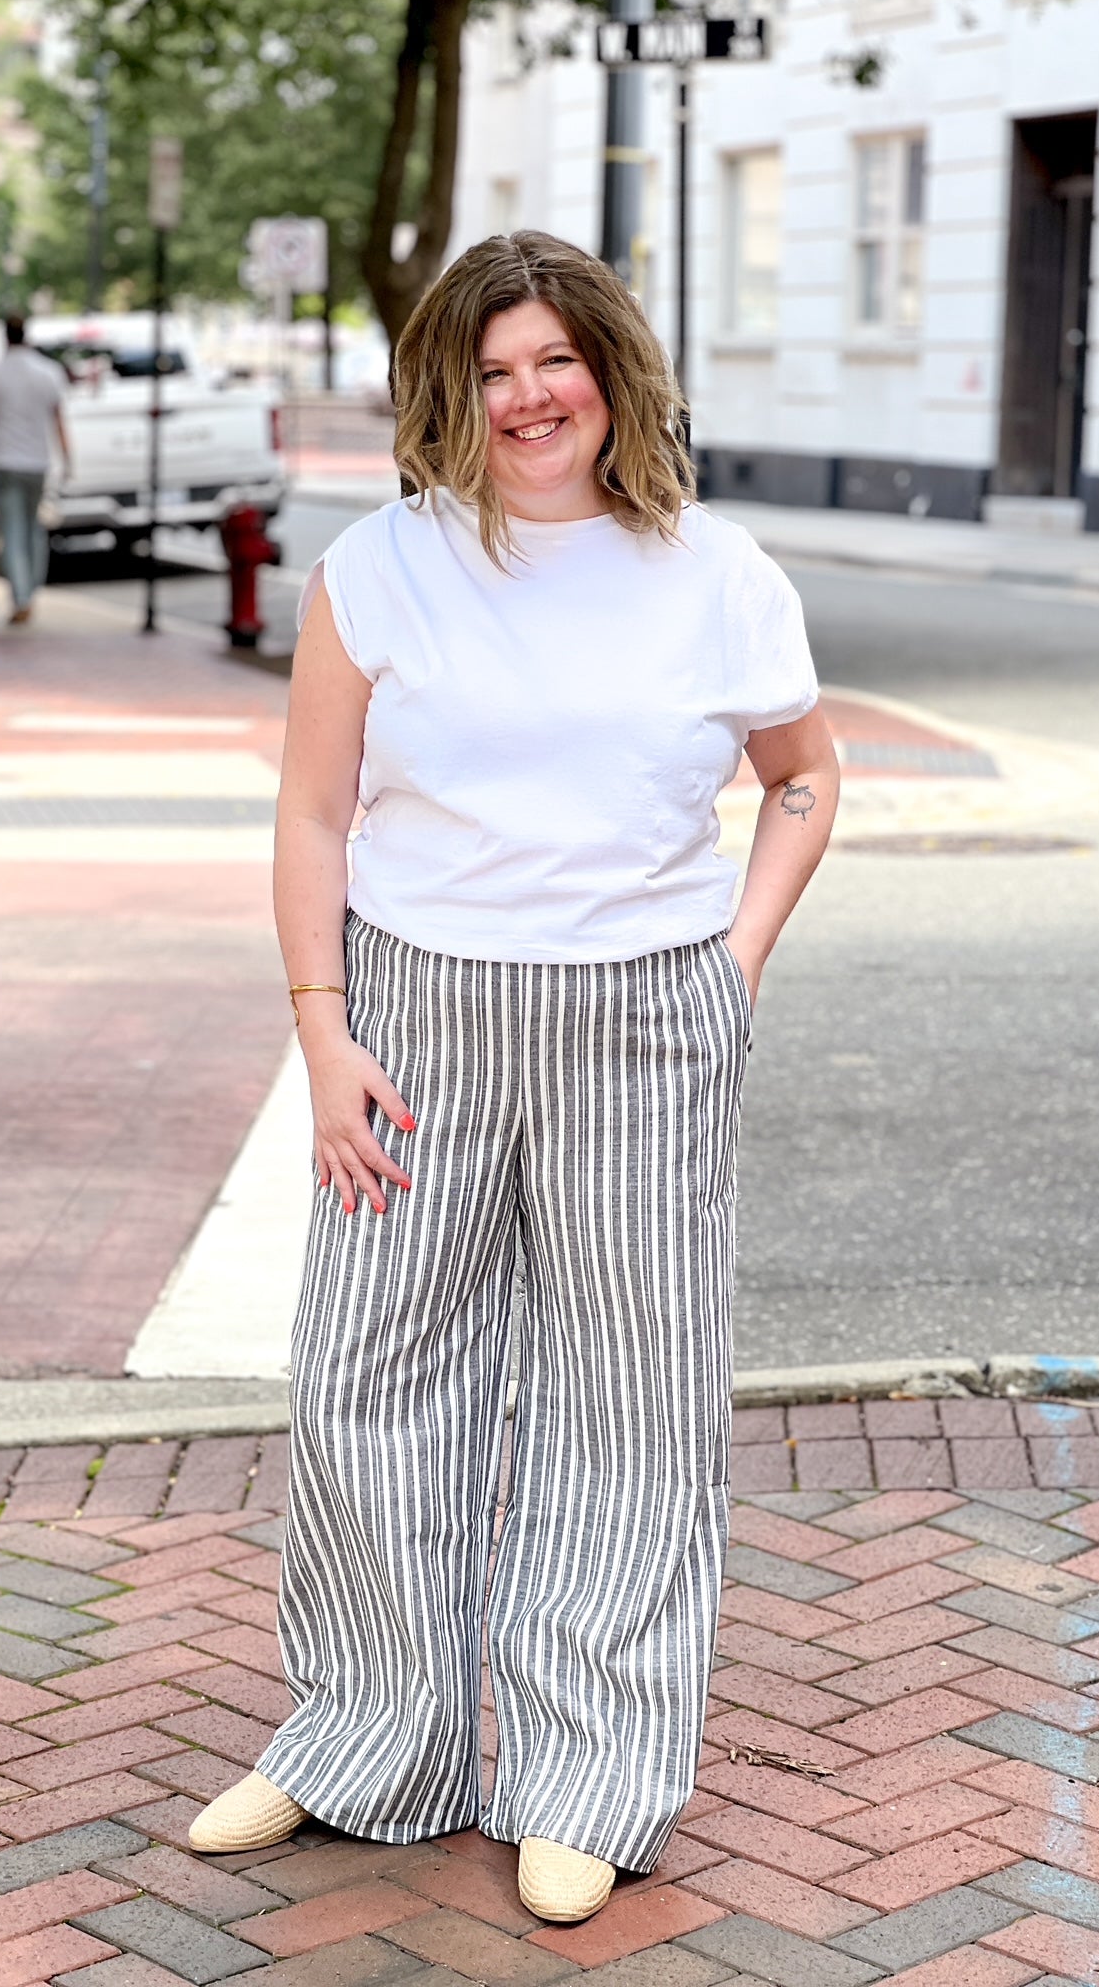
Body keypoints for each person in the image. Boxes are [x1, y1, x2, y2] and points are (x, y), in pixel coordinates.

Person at [189, 231, 840, 1924]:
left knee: (627, 1399)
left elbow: (804, 783)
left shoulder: (717, 571)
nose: (530, 395)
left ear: (614, 369)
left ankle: (589, 1774)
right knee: (365, 1374)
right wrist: (324, 1031)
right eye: (492, 371)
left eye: (556, 360)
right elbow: (315, 814)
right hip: (415, 1016)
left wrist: (733, 968)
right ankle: (366, 1738)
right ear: (449, 397)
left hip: (642, 1014)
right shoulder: (381, 568)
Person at [0, 314, 70, 624]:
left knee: (11, 530)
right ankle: (30, 589)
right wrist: (67, 459)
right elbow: (59, 421)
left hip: (4, 461)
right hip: (37, 462)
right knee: (32, 527)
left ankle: (21, 595)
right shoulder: (47, 372)